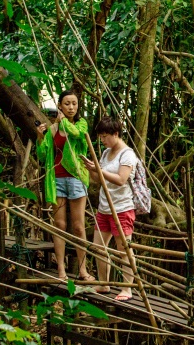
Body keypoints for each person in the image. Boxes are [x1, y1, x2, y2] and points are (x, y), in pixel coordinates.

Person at [36, 90, 93, 281]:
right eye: (67, 104)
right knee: (59, 225)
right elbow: (43, 156)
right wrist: (40, 137)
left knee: (78, 226)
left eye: (74, 104)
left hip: (76, 178)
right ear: (60, 105)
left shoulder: (80, 124)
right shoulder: (53, 130)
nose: (71, 107)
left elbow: (76, 134)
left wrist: (63, 122)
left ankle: (83, 270)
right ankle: (61, 269)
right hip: (56, 180)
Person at [84, 115, 138, 301]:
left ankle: (127, 288)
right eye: (100, 137)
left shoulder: (128, 154)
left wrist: (99, 170)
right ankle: (103, 283)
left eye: (105, 136)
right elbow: (98, 180)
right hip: (104, 207)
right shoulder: (106, 153)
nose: (103, 140)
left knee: (124, 250)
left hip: (122, 208)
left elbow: (121, 179)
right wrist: (92, 169)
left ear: (116, 134)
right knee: (98, 247)